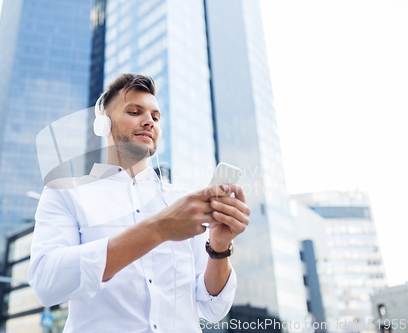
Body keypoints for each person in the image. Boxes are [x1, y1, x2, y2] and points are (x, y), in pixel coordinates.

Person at [28, 73, 251, 333]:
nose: (149, 121)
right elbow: (46, 282)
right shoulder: (65, 192)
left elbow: (213, 307)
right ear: (104, 126)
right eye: (135, 112)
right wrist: (158, 229)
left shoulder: (182, 201)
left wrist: (219, 248)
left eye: (155, 117)